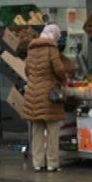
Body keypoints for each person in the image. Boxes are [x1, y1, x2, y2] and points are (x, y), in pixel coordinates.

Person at [20, 23, 74, 173]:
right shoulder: (51, 48)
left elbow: (27, 70)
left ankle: (38, 163)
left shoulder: (31, 49)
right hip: (49, 94)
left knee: (37, 129)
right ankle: (52, 163)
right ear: (54, 36)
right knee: (52, 129)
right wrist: (64, 78)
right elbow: (58, 69)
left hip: (33, 93)